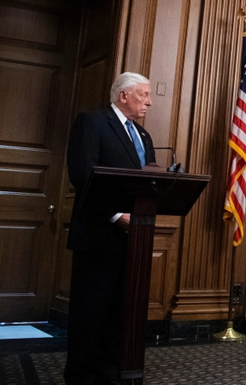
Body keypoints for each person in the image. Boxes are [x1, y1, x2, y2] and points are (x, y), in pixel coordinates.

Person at [64, 72, 156, 385]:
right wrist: (117, 216)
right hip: (97, 236)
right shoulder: (92, 123)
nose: (149, 101)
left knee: (120, 314)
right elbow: (82, 175)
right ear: (123, 96)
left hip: (134, 240)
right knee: (90, 314)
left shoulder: (143, 137)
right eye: (143, 94)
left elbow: (150, 184)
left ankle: (110, 374)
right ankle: (81, 377)